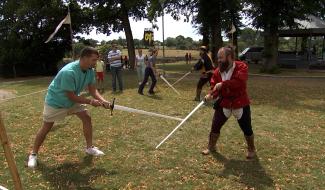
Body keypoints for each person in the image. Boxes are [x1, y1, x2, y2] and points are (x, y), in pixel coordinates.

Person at [27, 47, 112, 168]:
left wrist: (103, 101)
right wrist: (91, 102)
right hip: (56, 102)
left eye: (96, 60)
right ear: (84, 58)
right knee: (46, 127)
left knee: (86, 117)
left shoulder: (89, 71)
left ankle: (89, 148)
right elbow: (71, 96)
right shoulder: (69, 72)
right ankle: (33, 154)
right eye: (93, 60)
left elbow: (93, 90)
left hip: (72, 101)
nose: (95, 63)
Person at [203, 46, 256, 159]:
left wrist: (223, 84)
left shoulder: (241, 67)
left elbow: (239, 82)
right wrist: (211, 94)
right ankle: (211, 146)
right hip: (224, 103)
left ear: (230, 57)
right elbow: (214, 85)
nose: (219, 60)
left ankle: (251, 149)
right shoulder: (218, 71)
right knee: (215, 126)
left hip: (240, 102)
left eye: (221, 57)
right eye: (218, 58)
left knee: (247, 128)